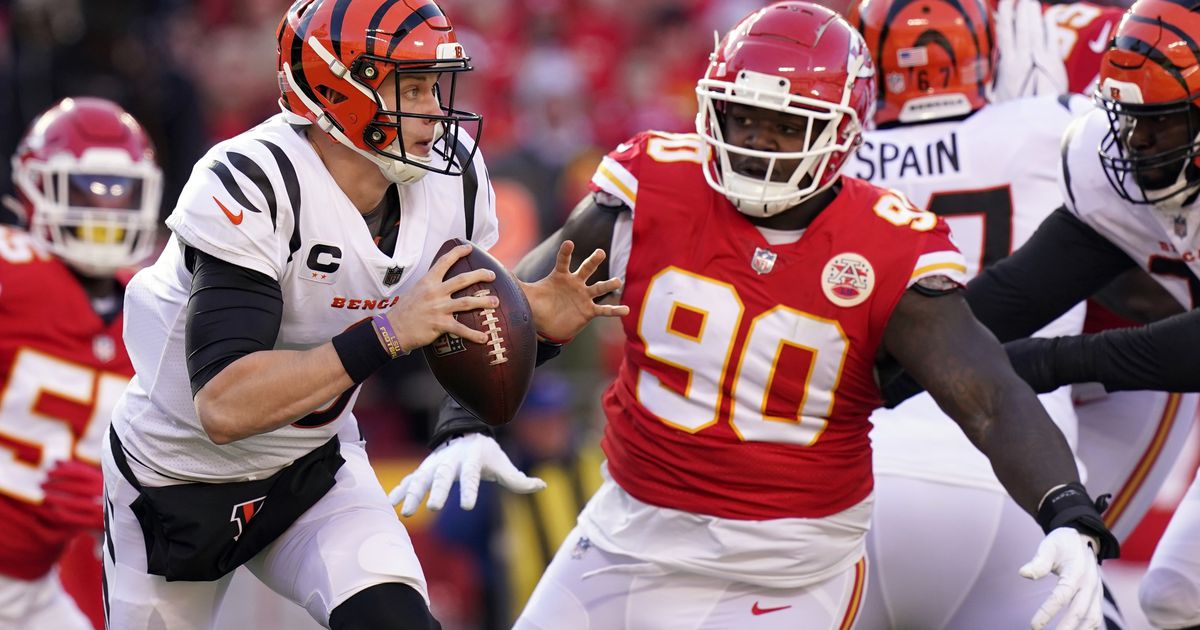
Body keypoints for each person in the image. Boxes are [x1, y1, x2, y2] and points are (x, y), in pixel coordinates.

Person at [394, 3, 1118, 629]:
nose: (756, 140)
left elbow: (987, 395)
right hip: (625, 532)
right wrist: (468, 419)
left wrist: (1064, 509)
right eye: (742, 116)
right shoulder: (652, 185)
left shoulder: (886, 244)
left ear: (842, 133)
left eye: (784, 124)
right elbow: (521, 312)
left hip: (785, 568)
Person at [100, 1, 626, 629]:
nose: (434, 107)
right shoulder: (255, 180)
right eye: (410, 85)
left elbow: (465, 328)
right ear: (335, 87)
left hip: (311, 470)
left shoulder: (451, 178)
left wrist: (537, 329)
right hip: (175, 478)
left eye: (434, 84)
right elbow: (225, 406)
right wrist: (388, 333)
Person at [877, 0, 1200, 625]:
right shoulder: (1109, 161)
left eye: (1157, 126)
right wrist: (894, 366)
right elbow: (1025, 288)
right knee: (1178, 595)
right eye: (1127, 121)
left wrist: (1050, 361)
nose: (1134, 146)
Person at [0, 97, 161, 629]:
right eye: (85, 190)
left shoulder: (156, 306)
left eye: (121, 196)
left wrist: (121, 511)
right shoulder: (13, 271)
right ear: (33, 186)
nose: (101, 212)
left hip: (28, 589)